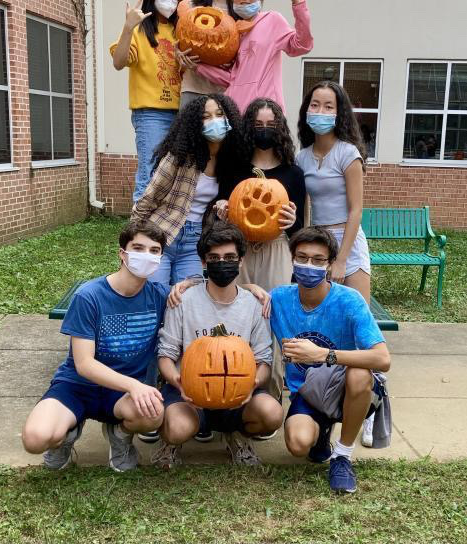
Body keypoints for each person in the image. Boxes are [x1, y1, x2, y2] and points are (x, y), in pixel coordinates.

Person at [21, 221, 170, 472]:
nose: (147, 255)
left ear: (160, 258)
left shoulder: (160, 296)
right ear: (122, 254)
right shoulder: (89, 296)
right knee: (35, 438)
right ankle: (66, 435)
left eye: (154, 251)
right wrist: (135, 385)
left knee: (153, 412)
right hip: (78, 386)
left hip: (120, 393)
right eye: (138, 248)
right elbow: (84, 364)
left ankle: (119, 435)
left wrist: (253, 290)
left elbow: (202, 294)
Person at [152, 221, 283, 468]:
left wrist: (251, 383)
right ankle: (171, 442)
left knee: (272, 413)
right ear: (203, 262)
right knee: (177, 428)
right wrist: (179, 382)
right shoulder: (183, 300)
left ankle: (236, 434)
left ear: (241, 261)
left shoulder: (255, 305)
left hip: (239, 390)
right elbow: (165, 356)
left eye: (230, 257)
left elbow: (263, 359)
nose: (222, 263)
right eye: (214, 257)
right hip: (190, 391)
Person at [269, 227, 391, 493]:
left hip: (346, 385)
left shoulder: (348, 300)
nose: (308, 265)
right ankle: (321, 436)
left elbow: (382, 358)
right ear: (291, 259)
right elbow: (238, 300)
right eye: (301, 257)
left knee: (359, 373)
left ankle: (343, 455)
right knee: (298, 444)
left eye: (317, 260)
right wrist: (253, 288)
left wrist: (323, 354)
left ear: (330, 264)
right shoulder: (278, 298)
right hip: (308, 391)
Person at [214, 98, 305, 424]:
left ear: (279, 129)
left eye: (270, 125)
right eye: (258, 124)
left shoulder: (293, 173)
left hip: (276, 250)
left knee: (274, 318)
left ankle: (269, 393)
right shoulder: (234, 169)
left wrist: (293, 219)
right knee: (235, 317)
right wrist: (221, 208)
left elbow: (299, 228)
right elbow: (220, 213)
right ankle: (229, 390)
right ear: (248, 128)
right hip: (239, 251)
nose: (264, 130)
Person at [130, 93, 249, 287]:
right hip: (162, 233)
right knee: (156, 292)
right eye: (206, 116)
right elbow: (148, 200)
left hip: (194, 241)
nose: (214, 121)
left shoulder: (229, 161)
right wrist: (132, 242)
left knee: (189, 297)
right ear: (195, 123)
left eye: (219, 114)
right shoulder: (180, 156)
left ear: (229, 118)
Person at [191, 0, 313, 113]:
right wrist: (197, 66)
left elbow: (301, 45)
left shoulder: (272, 20)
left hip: (265, 114)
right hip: (235, 113)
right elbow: (232, 78)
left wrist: (299, 8)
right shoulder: (233, 32)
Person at [109, 0, 183, 202]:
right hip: (151, 114)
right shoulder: (140, 29)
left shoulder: (181, 29)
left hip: (182, 112)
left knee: (176, 179)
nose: (169, 0)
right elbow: (119, 62)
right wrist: (128, 27)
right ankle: (139, 234)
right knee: (150, 175)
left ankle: (164, 235)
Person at [296, 80, 372, 304]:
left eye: (329, 107)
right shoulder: (302, 157)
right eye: (315, 105)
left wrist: (341, 259)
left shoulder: (348, 154)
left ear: (340, 114)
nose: (321, 111)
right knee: (322, 313)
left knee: (357, 314)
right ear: (307, 110)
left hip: (348, 241)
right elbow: (304, 207)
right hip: (318, 242)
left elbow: (356, 210)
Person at [175, 0, 241, 109]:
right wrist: (179, 55)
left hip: (226, 94)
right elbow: (179, 42)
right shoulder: (190, 6)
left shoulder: (240, 12)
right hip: (193, 90)